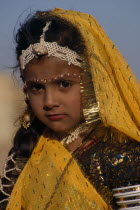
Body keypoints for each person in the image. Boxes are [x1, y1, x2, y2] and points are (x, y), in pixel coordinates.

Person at [0, 8, 140, 210]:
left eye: (64, 84)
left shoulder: (121, 157)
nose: (49, 101)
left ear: (94, 83)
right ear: (25, 90)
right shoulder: (24, 155)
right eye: (37, 87)